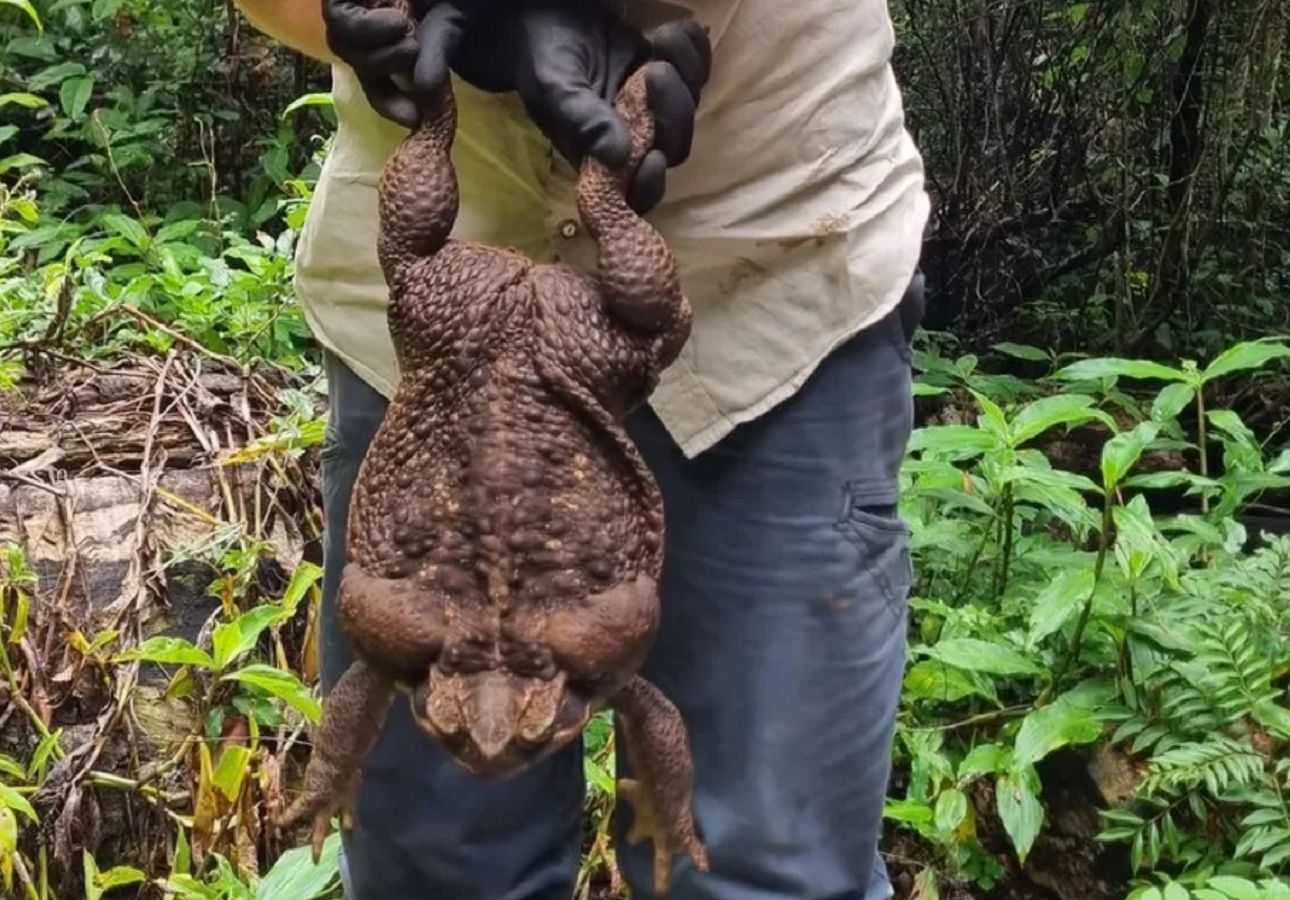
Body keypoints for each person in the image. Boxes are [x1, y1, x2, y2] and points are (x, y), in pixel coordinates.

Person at [235, 0, 929, 897]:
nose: (489, 739)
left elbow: (648, 717)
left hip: (765, 264)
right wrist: (409, 25)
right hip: (439, 325)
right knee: (432, 873)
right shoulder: (439, 651)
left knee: (758, 868)